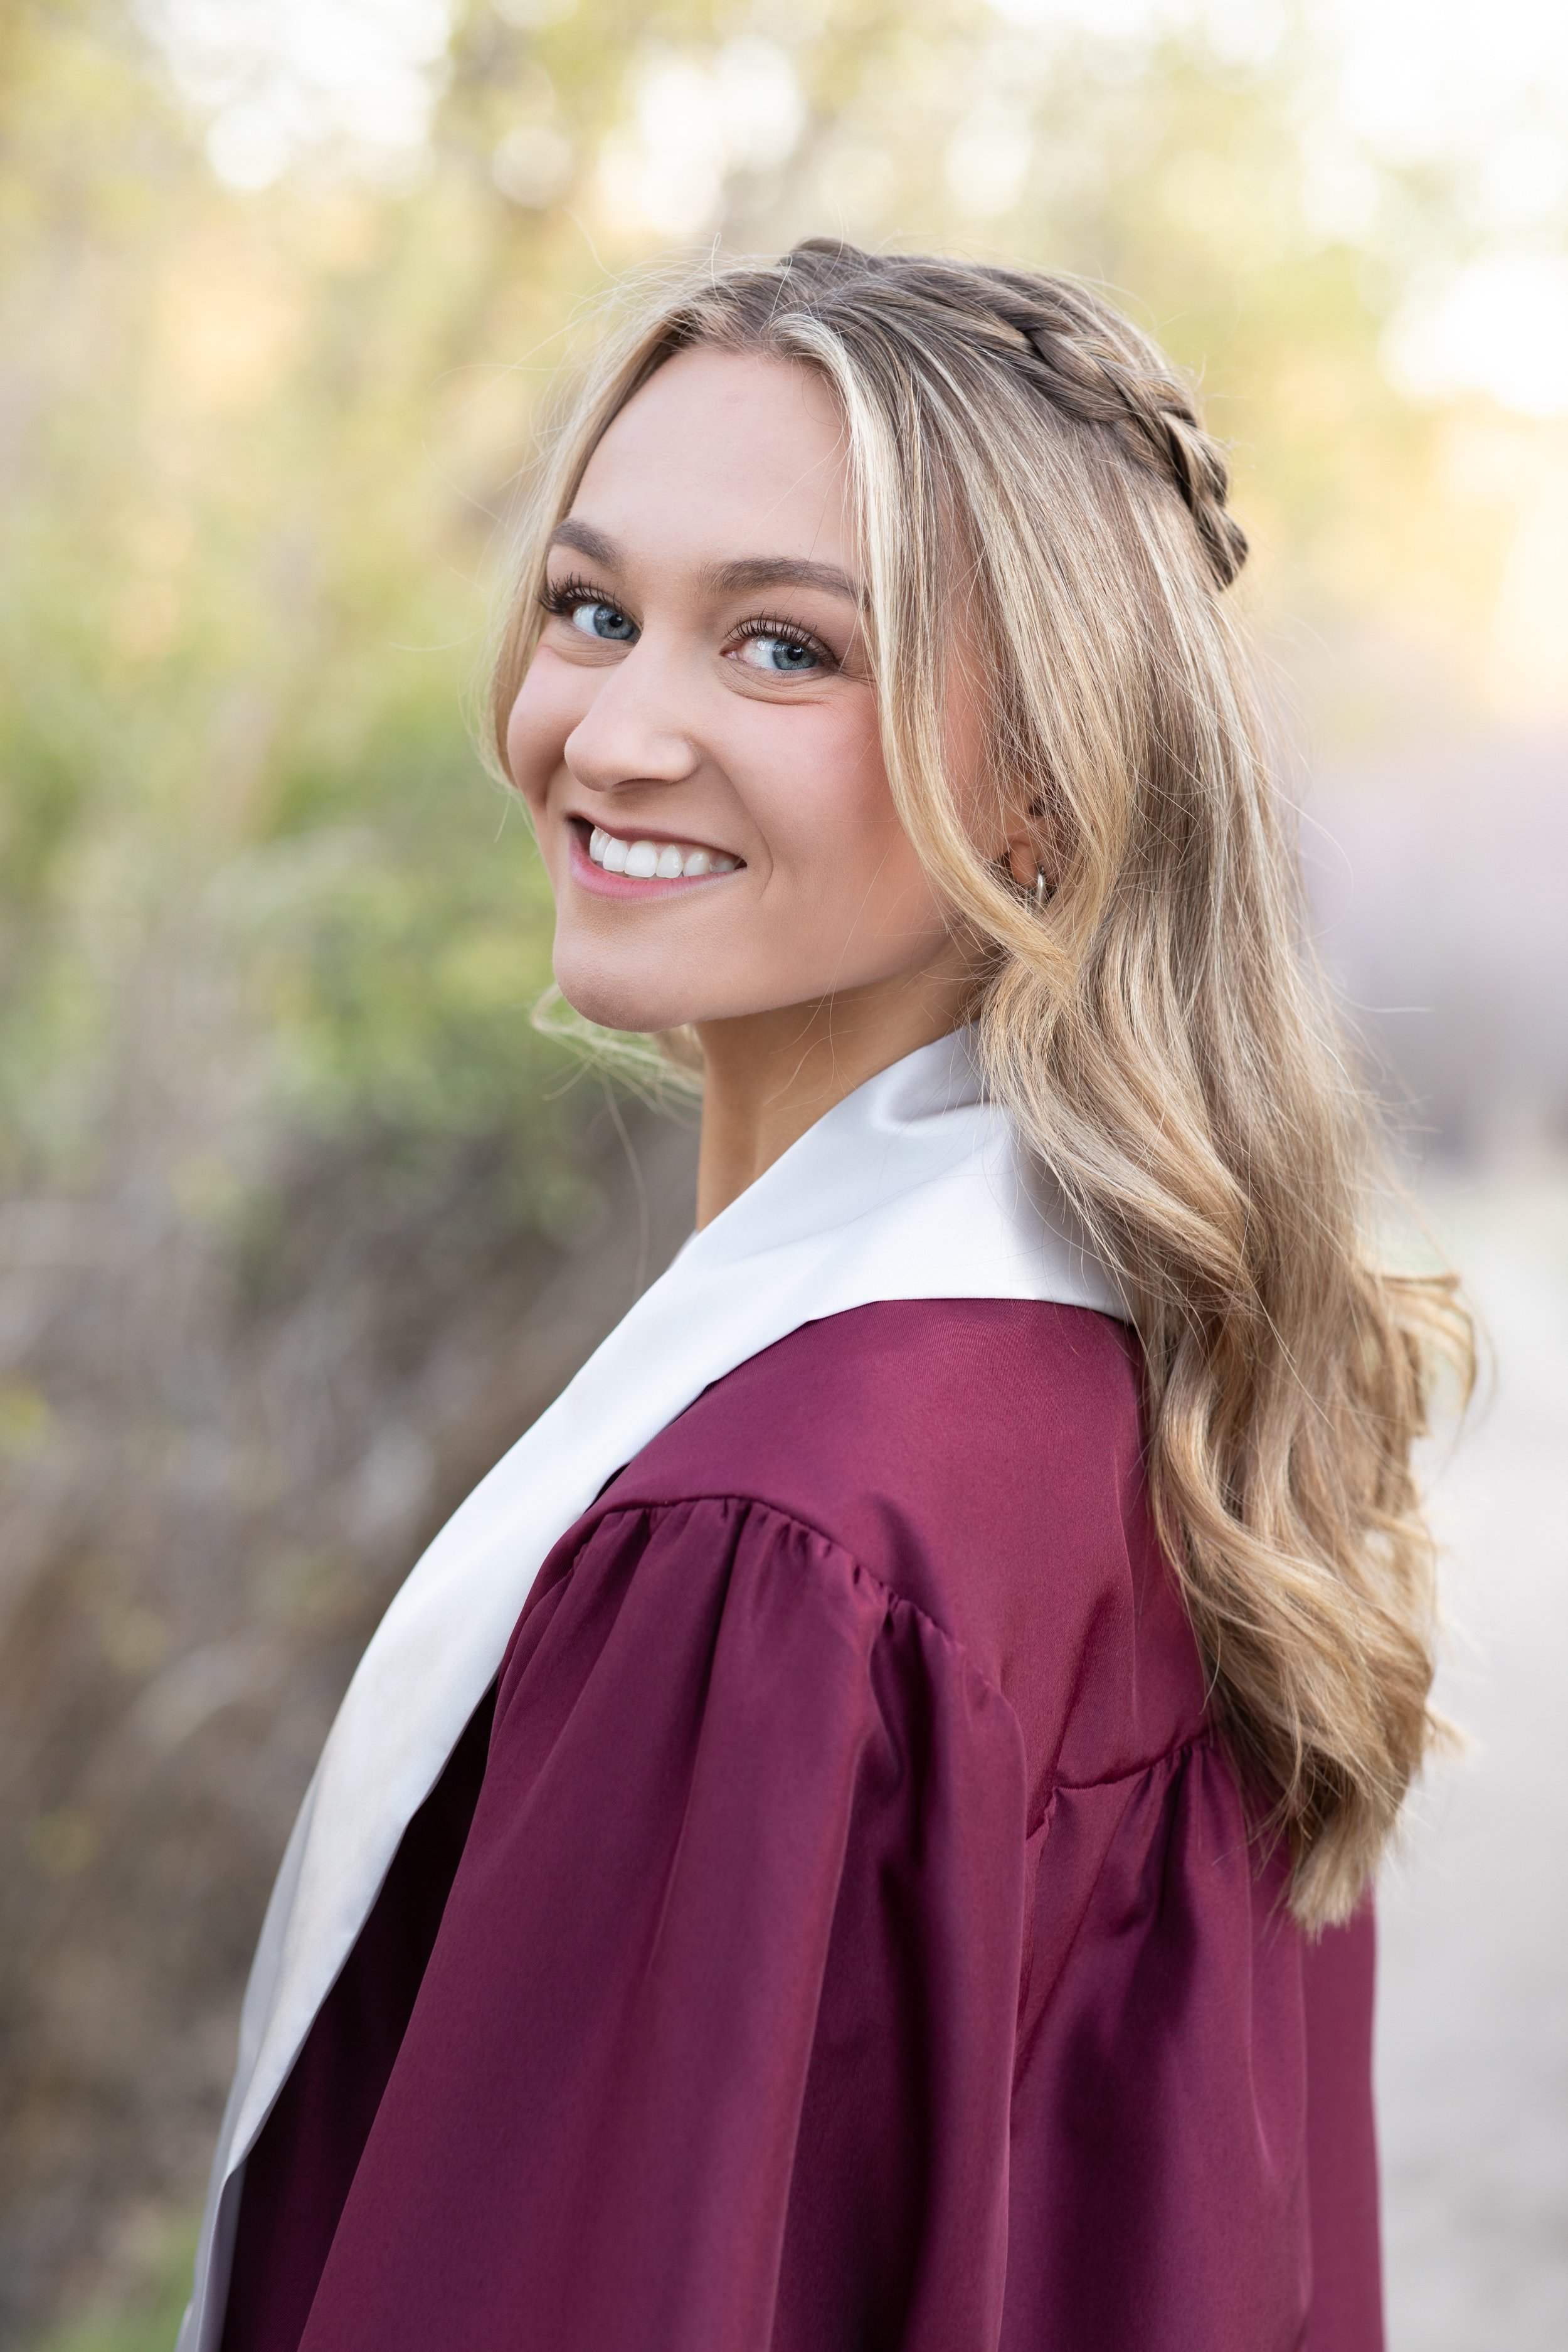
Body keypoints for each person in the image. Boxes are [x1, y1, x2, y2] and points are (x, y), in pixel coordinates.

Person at [177, 241, 1468, 2352]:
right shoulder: (1166, 1403)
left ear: (1043, 775)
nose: (612, 731)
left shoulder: (778, 1543)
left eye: (782, 648)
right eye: (590, 610)